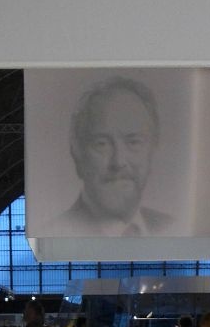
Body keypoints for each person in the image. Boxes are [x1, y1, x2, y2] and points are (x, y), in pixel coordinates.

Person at [48, 77, 170, 235]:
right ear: (77, 151)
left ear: (152, 149)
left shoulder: (170, 226)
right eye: (102, 143)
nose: (118, 162)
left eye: (133, 142)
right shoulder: (54, 233)